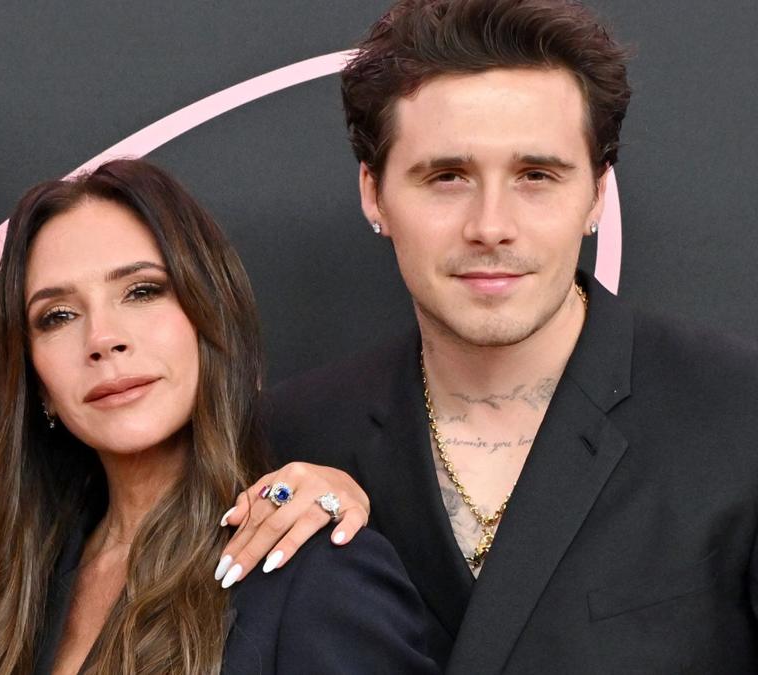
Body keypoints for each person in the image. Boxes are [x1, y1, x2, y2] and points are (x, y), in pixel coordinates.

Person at [262, 0, 758, 672]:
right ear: (374, 195)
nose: (491, 225)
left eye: (536, 177)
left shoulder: (738, 414)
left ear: (595, 196)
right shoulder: (288, 437)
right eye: (447, 177)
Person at [0, 158, 438, 674]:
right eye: (57, 316)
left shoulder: (318, 573)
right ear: (36, 380)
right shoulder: (24, 581)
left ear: (212, 317)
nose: (102, 339)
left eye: (142, 291)